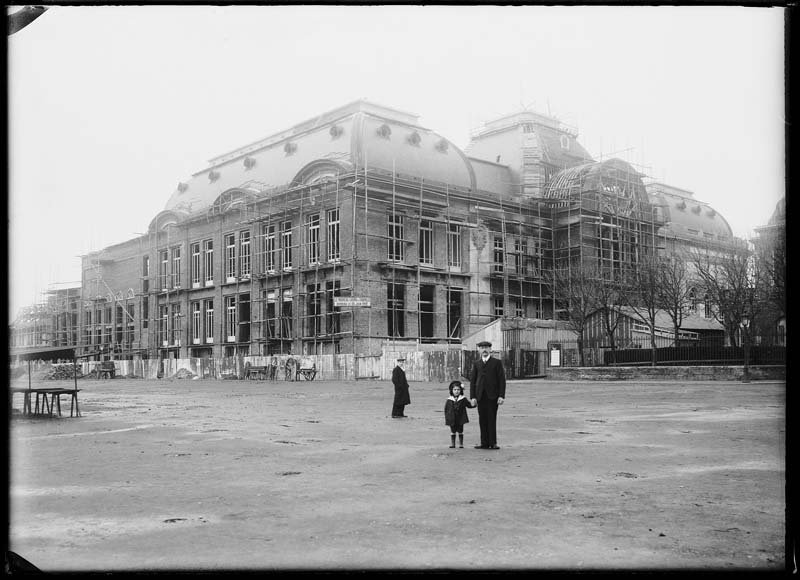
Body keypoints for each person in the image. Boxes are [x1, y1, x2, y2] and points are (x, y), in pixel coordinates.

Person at [469, 340, 506, 450]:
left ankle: (493, 442)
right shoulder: (476, 364)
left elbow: (501, 380)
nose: (484, 349)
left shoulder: (496, 363)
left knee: (491, 418)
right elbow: (473, 381)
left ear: (490, 349)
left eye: (486, 347)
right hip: (480, 396)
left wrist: (501, 396)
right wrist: (473, 397)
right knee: (482, 419)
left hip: (493, 396)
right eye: (482, 347)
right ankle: (484, 443)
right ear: (479, 350)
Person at [444, 380, 475, 448]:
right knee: (453, 431)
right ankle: (453, 444)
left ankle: (461, 444)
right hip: (452, 418)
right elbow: (446, 410)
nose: (456, 391)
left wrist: (474, 405)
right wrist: (447, 418)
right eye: (455, 389)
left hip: (461, 418)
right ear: (451, 390)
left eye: (458, 389)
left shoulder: (463, 399)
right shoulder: (449, 400)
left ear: (461, 390)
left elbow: (468, 405)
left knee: (460, 430)